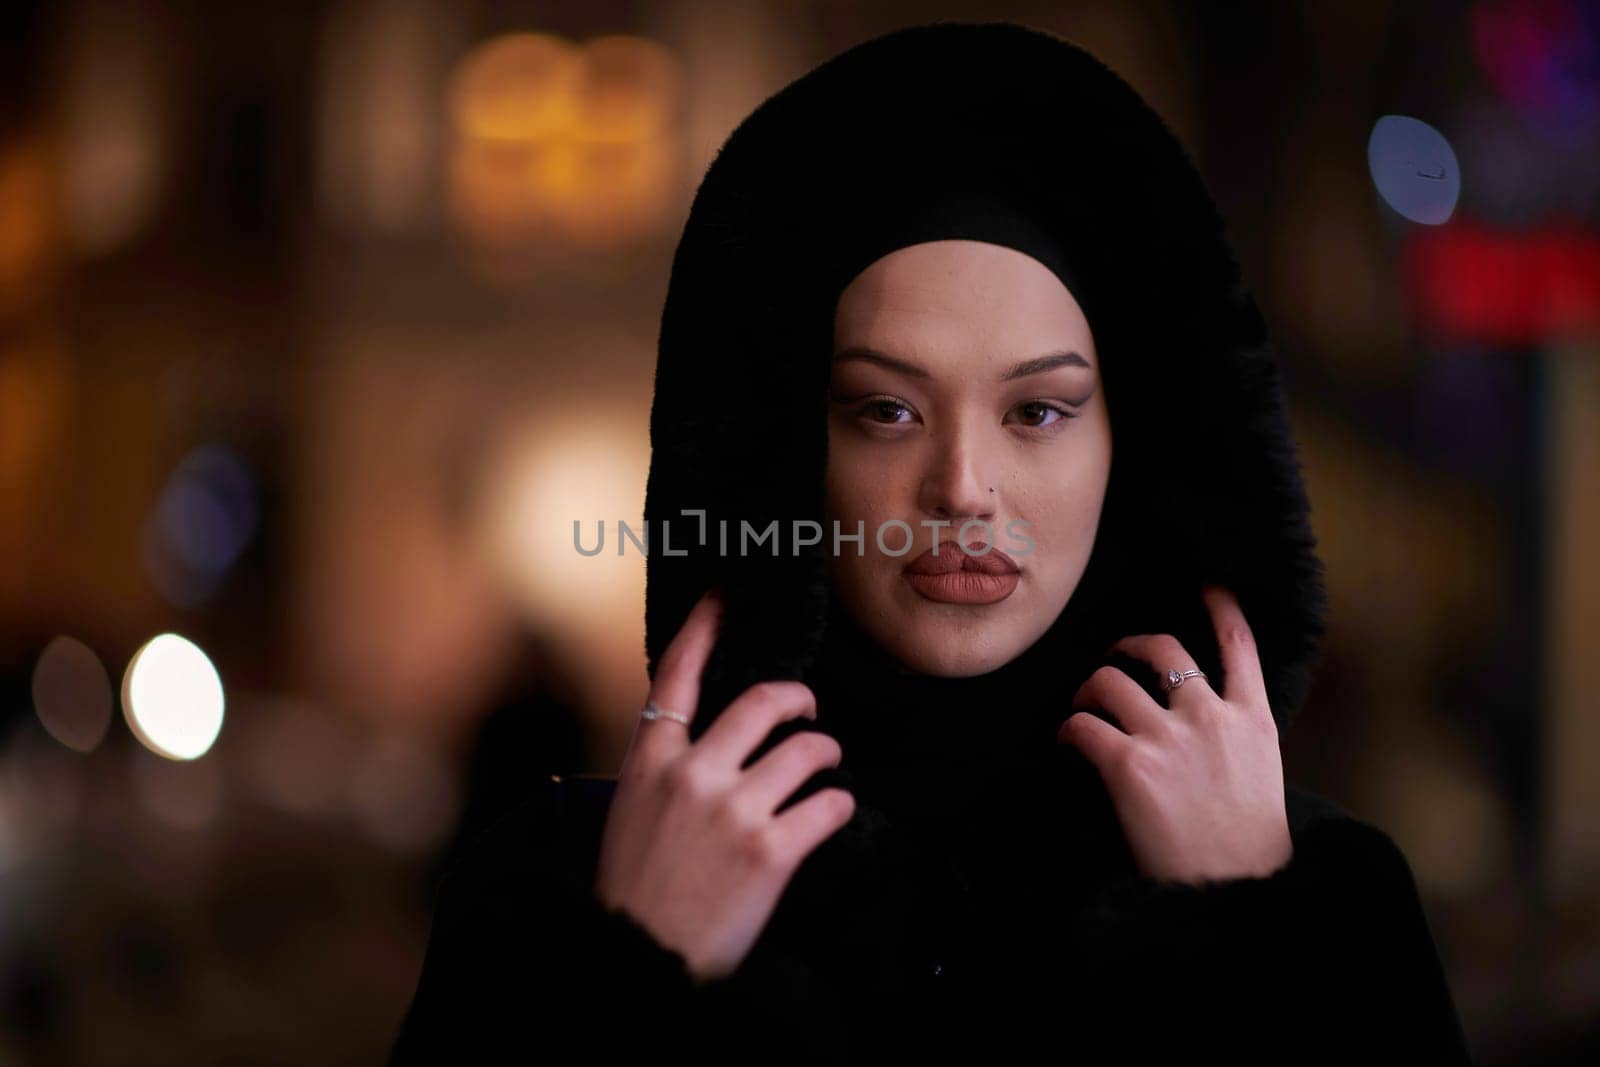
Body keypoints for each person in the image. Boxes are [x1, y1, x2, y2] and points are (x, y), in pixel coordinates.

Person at [390, 21, 1475, 1065]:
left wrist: (1251, 939)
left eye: (1038, 410)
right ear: (787, 452)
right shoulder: (556, 883)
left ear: (1130, 451)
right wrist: (630, 976)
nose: (960, 488)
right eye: (885, 411)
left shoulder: (1328, 895)